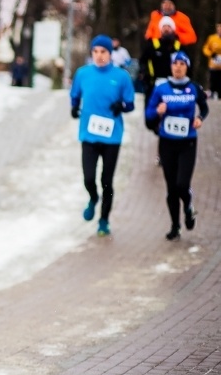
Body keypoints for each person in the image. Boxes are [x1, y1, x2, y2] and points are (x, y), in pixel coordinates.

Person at [70, 35, 135, 237]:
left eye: (103, 52)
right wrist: (74, 108)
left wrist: (121, 106)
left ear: (110, 54)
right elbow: (75, 95)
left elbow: (130, 103)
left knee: (107, 180)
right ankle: (93, 198)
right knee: (89, 177)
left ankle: (104, 219)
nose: (99, 56)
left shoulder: (121, 76)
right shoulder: (83, 74)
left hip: (111, 137)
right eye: (96, 52)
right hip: (88, 135)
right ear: (92, 53)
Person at [145, 51, 209, 241]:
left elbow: (204, 107)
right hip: (167, 143)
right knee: (171, 188)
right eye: (175, 64)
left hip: (187, 142)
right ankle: (175, 225)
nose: (178, 67)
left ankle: (188, 208)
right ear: (171, 67)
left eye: (182, 64)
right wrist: (157, 111)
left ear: (186, 66)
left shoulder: (193, 88)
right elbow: (148, 115)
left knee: (182, 184)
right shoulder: (161, 89)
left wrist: (199, 118)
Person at [141, 16, 182, 130]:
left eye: (169, 26)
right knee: (151, 113)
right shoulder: (153, 46)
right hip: (155, 84)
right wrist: (145, 75)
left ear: (173, 29)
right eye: (164, 26)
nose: (166, 29)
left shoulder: (178, 47)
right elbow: (143, 61)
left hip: (174, 85)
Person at [202, 23, 221, 99]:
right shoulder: (212, 38)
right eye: (219, 29)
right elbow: (205, 48)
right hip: (213, 64)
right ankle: (212, 92)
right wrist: (211, 54)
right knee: (213, 79)